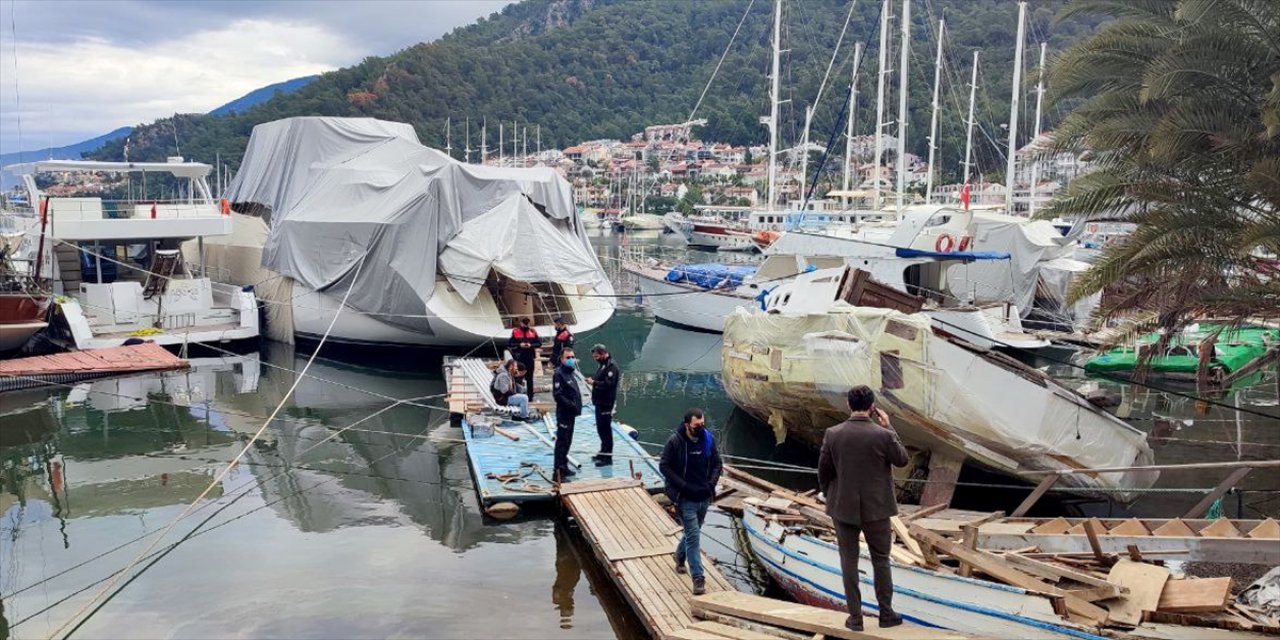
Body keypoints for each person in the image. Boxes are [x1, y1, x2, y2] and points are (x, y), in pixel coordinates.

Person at [818, 385, 910, 632]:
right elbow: (902, 459)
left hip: (843, 506)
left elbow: (824, 471)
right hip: (877, 507)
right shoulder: (883, 435)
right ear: (872, 407)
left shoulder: (833, 433)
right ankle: (886, 613)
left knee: (848, 560)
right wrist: (888, 426)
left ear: (849, 405)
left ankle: (856, 617)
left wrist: (831, 495)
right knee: (881, 560)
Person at [659, 408, 722, 596]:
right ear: (687, 425)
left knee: (692, 532)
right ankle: (698, 578)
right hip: (685, 497)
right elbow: (664, 465)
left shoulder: (708, 439)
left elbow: (717, 464)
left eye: (703, 424)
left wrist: (711, 485)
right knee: (694, 537)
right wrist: (683, 487)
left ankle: (678, 557)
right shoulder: (675, 441)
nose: (701, 428)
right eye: (697, 425)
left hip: (704, 495)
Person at [585, 343, 620, 465]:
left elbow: (608, 384)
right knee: (601, 429)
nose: (595, 359)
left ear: (603, 354)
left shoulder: (611, 367)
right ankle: (603, 452)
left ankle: (608, 457)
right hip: (599, 402)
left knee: (605, 430)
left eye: (597, 356)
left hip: (606, 403)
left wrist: (593, 382)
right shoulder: (603, 365)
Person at [551, 348, 583, 480]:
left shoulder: (570, 372)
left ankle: (564, 466)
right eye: (568, 357)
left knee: (568, 441)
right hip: (564, 414)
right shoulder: (559, 374)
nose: (571, 360)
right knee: (562, 442)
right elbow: (557, 395)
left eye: (572, 357)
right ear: (562, 359)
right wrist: (570, 404)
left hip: (571, 414)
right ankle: (558, 470)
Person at [508, 317, 542, 400]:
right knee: (517, 377)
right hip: (519, 357)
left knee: (529, 378)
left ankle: (530, 397)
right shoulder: (516, 332)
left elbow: (539, 343)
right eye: (524, 323)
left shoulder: (533, 332)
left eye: (527, 323)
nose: (526, 325)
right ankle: (517, 394)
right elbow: (510, 343)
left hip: (529, 357)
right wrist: (520, 345)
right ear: (521, 323)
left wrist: (531, 345)